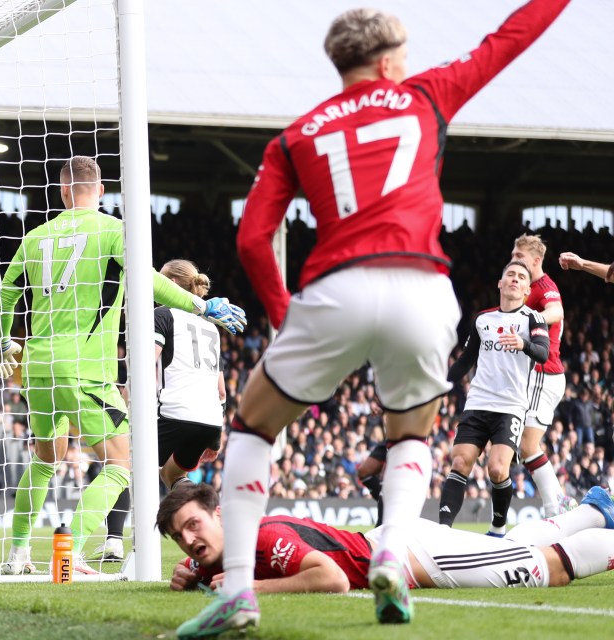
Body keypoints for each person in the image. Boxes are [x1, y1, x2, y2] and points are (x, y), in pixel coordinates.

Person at [179, 1, 571, 634]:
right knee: (411, 432)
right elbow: (508, 39)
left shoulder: (298, 133)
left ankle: (239, 595)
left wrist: (285, 317)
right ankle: (389, 555)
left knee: (252, 428)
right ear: (389, 62)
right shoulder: (425, 94)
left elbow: (254, 237)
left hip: (335, 289)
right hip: (422, 288)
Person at [0, 156, 245, 575]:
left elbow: (4, 298)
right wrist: (203, 304)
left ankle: (18, 553)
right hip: (85, 368)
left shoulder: (36, 236)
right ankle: (67, 548)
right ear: (101, 191)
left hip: (37, 368)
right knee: (123, 465)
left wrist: (4, 344)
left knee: (43, 460)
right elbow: (150, 280)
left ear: (62, 190)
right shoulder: (113, 229)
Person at [159, 482, 614, 595]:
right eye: (180, 536)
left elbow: (332, 579)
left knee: (547, 569)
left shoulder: (265, 538)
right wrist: (191, 573)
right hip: (395, 541)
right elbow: (210, 564)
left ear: (219, 514)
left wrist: (252, 588)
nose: (189, 539)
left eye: (194, 524)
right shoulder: (221, 549)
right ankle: (595, 509)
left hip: (414, 557)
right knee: (513, 548)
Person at [92, 259, 228, 563]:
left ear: (174, 286)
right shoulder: (212, 328)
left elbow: (145, 365)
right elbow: (222, 391)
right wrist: (216, 436)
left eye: (161, 283)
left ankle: (115, 542)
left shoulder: (162, 315)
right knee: (173, 474)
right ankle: (212, 528)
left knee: (122, 464)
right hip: (209, 421)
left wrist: (125, 399)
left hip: (175, 413)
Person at [439, 261, 550, 535]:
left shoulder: (533, 319)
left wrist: (523, 344)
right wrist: (439, 382)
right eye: (510, 274)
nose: (514, 279)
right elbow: (466, 361)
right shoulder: (482, 320)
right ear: (500, 284)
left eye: (521, 277)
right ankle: (441, 533)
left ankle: (498, 528)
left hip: (510, 408)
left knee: (498, 470)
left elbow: (543, 353)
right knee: (460, 462)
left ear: (526, 289)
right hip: (477, 404)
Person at [511, 234, 576, 516]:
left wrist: (529, 319)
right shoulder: (526, 286)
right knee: (520, 446)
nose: (514, 260)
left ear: (536, 261)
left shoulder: (545, 287)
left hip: (543, 373)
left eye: (520, 257)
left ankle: (557, 507)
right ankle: (560, 503)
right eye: (513, 254)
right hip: (532, 374)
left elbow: (557, 311)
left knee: (527, 445)